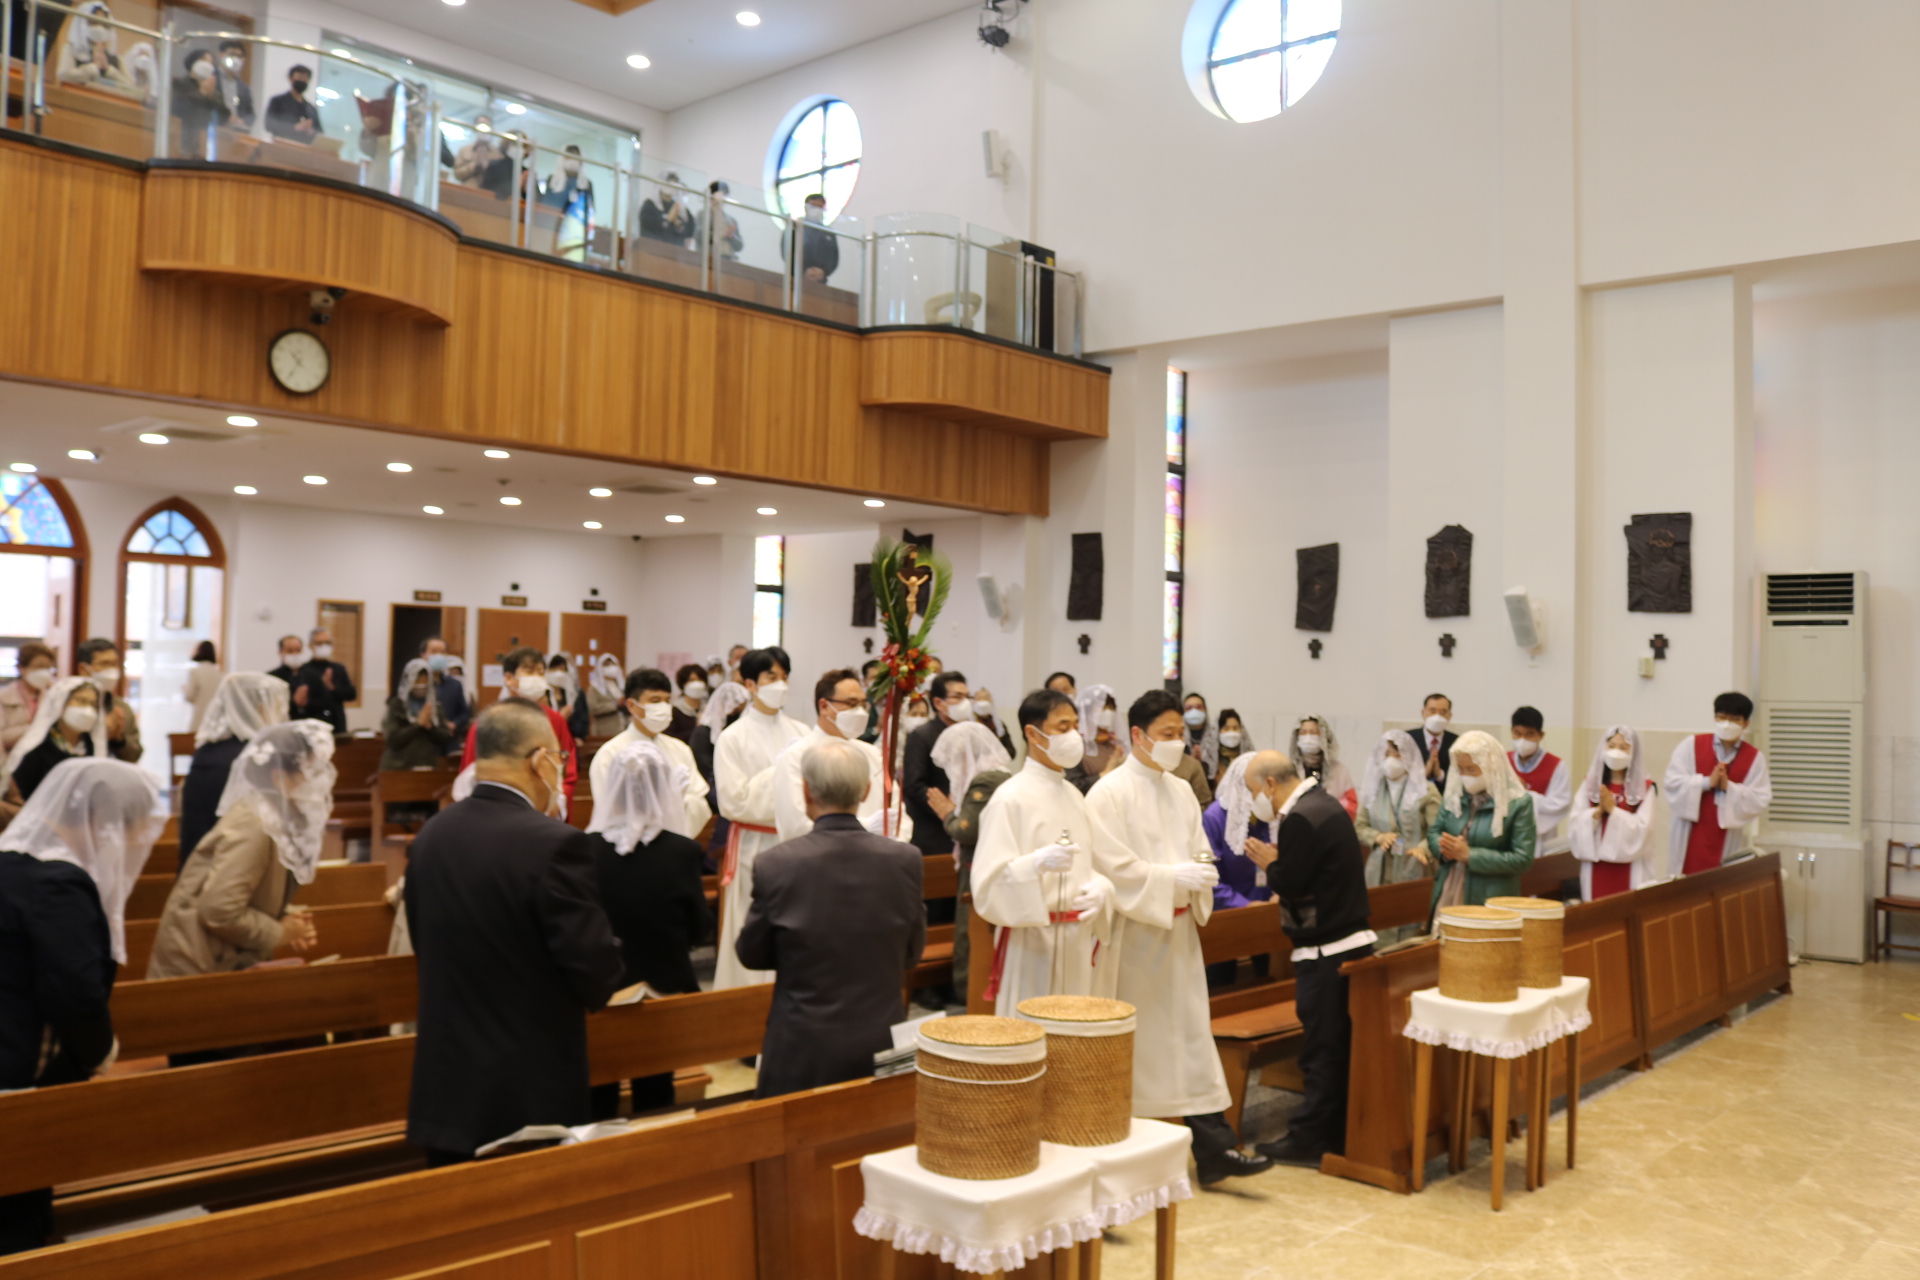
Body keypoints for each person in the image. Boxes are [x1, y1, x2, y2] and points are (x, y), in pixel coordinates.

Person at [405, 701, 624, 1166]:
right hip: (525, 1092)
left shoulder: (430, 837)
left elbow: (424, 944)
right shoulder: (553, 843)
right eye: (560, 758)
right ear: (539, 760)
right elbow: (596, 974)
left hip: (444, 1086)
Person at [1087, 691, 1270, 1184]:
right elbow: (1110, 866)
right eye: (1166, 734)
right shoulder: (1107, 794)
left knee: (1189, 1040)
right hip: (1135, 938)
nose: (1176, 742)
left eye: (1180, 734)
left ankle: (1214, 1151)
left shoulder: (1182, 791)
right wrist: (1170, 878)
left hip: (1180, 935)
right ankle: (1128, 1157)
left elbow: (1200, 850)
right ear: (1137, 735)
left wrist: (1202, 874)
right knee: (1141, 1047)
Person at [0, 758, 165, 1254]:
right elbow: (73, 992)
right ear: (101, 820)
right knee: (17, 1207)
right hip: (17, 1069)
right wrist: (99, 1051)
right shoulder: (58, 882)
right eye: (129, 826)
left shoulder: (11, 862)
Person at [738, 737, 924, 1097]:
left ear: (806, 790)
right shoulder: (904, 859)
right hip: (879, 1035)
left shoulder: (777, 863)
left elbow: (752, 954)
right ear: (866, 790)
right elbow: (912, 953)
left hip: (803, 1042)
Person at [1238, 750, 1374, 1167]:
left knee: (1321, 1049)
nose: (1255, 802)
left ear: (1271, 785)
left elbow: (1294, 883)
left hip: (1325, 950)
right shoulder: (1325, 804)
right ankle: (1335, 1132)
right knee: (1334, 1046)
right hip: (1349, 941)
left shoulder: (1299, 818)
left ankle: (1309, 1141)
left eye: (1253, 792)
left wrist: (1272, 864)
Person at [582, 739, 711, 1117]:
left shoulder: (584, 849)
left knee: (599, 1089)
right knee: (656, 1089)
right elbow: (700, 929)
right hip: (663, 989)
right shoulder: (682, 851)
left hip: (601, 990)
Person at [146, 722, 332, 981]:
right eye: (312, 771)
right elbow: (218, 910)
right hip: (196, 969)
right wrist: (280, 932)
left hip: (218, 961)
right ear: (279, 778)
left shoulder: (273, 818)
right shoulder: (254, 824)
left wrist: (287, 921)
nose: (321, 781)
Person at [970, 687, 1117, 1012]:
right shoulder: (1009, 798)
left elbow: (1088, 865)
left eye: (1075, 726)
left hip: (1076, 939)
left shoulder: (1074, 795)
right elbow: (987, 886)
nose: (1074, 736)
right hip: (1033, 942)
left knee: (1075, 1031)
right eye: (1063, 727)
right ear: (1033, 734)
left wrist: (1101, 888)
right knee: (1033, 1030)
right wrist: (1035, 865)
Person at [711, 647, 807, 989]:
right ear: (750, 684)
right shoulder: (732, 737)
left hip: (795, 843)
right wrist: (779, 772)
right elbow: (734, 803)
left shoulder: (801, 732)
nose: (781, 684)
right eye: (771, 677)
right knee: (751, 926)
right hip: (754, 845)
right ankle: (746, 1000)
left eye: (784, 677)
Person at [933, 720, 1013, 1006]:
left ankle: (970, 997)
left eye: (953, 760)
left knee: (971, 933)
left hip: (977, 868)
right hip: (990, 866)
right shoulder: (1003, 775)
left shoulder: (985, 780)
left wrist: (947, 814)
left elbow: (966, 830)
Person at [178, 673, 289, 868]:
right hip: (231, 868)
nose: (281, 717)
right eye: (278, 707)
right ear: (260, 709)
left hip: (200, 864)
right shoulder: (253, 759)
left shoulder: (210, 750)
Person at [1426, 730, 1537, 915]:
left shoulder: (1517, 803)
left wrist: (1470, 855)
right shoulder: (1455, 795)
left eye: (1471, 769)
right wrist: (1446, 848)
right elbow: (1434, 831)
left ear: (1491, 767)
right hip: (1450, 885)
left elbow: (1522, 859)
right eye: (1461, 769)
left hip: (1491, 894)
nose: (1465, 776)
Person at [589, 668, 711, 836]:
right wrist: (667, 803)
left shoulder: (680, 749)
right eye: (655, 700)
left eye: (667, 701)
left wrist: (680, 803)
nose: (663, 707)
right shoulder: (611, 753)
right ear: (632, 705)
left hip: (676, 843)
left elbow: (699, 802)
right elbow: (609, 808)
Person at [772, 669, 890, 842]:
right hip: (819, 854)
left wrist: (892, 841)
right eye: (852, 703)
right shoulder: (796, 756)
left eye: (863, 705)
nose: (860, 712)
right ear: (824, 706)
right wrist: (864, 827)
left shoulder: (872, 754)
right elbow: (794, 826)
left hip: (879, 853)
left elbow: (896, 815)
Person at [902, 671, 1008, 860]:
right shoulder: (922, 735)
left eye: (967, 697)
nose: (965, 702)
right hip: (934, 830)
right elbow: (914, 785)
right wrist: (946, 809)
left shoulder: (972, 732)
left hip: (970, 822)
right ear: (938, 703)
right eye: (958, 697)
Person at [1665, 692, 1772, 878]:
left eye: (1734, 719)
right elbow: (1672, 782)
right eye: (1722, 717)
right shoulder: (1691, 745)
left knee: (1722, 883)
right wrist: (1707, 782)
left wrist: (1729, 788)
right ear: (1715, 718)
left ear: (1746, 723)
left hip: (1728, 835)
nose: (1727, 724)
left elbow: (1760, 798)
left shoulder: (1755, 758)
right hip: (1689, 832)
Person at [458, 647, 578, 810]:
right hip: (495, 809)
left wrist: (556, 804)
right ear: (509, 678)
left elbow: (567, 768)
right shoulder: (489, 720)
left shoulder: (554, 720)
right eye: (529, 671)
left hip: (546, 809)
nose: (536, 678)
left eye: (541, 673)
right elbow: (470, 772)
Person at [1571, 726, 1659, 899]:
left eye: (1623, 747)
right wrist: (1597, 813)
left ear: (1634, 753)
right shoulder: (1590, 785)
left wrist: (1613, 810)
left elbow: (1644, 830)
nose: (1616, 752)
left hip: (1630, 868)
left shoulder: (1645, 789)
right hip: (1596, 866)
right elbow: (1575, 824)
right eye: (1611, 746)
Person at [1352, 730, 1440, 889]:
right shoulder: (1373, 789)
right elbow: (1360, 826)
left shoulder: (1425, 791)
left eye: (1398, 755)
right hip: (1380, 868)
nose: (1391, 761)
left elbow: (1438, 830)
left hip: (1416, 866)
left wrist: (1423, 849)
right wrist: (1378, 837)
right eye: (1386, 755)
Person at [1, 677, 107, 804]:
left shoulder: (93, 748)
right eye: (80, 701)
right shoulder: (37, 748)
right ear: (61, 703)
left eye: (93, 705)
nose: (87, 710)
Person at [271, 629, 355, 736]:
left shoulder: (312, 675)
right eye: (290, 651)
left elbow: (325, 702)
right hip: (284, 728)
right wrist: (294, 703)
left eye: (298, 650)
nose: (295, 654)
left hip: (317, 726)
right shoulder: (273, 678)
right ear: (280, 652)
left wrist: (331, 688)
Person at [1508, 705, 1572, 844]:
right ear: (1511, 731)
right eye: (1517, 733)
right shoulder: (1503, 761)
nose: (1522, 739)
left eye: (1529, 734)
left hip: (1540, 839)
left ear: (1541, 735)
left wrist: (1523, 794)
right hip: (1507, 834)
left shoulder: (1557, 766)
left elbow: (1559, 804)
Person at [381, 659, 455, 770]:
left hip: (427, 766)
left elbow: (445, 737)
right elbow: (392, 740)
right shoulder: (397, 705)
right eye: (417, 681)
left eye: (425, 681)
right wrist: (417, 725)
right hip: (399, 767)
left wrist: (430, 727)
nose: (421, 685)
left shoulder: (434, 706)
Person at [75, 639, 140, 763]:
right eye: (104, 664)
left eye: (114, 664)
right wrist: (100, 731)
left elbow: (135, 755)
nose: (111, 670)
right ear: (83, 669)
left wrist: (118, 740)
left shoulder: (122, 709)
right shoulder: (70, 705)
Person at [1290, 715, 1356, 816]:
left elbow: (1351, 804)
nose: (1308, 737)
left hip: (1332, 822)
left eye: (1313, 732)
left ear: (1324, 737)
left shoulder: (1339, 769)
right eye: (1303, 733)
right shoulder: (1289, 769)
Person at [0, 642, 57, 755]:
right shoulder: (4, 698)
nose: (44, 672)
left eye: (48, 668)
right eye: (39, 667)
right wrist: (36, 728)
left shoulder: (53, 695)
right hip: (11, 759)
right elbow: (3, 737)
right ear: (21, 668)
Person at [541, 145, 596, 261]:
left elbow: (590, 213)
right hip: (551, 231)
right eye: (568, 157)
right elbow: (545, 207)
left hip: (576, 236)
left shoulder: (587, 185)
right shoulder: (552, 181)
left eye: (575, 157)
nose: (572, 161)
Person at [1067, 683, 1125, 792]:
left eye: (1111, 708)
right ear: (1086, 712)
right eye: (1102, 708)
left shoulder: (1114, 743)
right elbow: (1074, 785)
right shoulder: (1075, 745)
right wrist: (1107, 771)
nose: (1108, 712)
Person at [421, 638, 469, 740]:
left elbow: (464, 713)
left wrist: (454, 724)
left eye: (443, 652)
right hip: (424, 739)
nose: (439, 656)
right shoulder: (417, 684)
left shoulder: (455, 685)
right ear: (423, 655)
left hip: (449, 739)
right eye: (434, 651)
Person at [264, 63, 322, 142]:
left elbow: (320, 133)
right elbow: (269, 124)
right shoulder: (278, 101)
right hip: (281, 144)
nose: (302, 81)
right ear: (291, 78)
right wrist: (294, 127)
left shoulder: (311, 109)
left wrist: (311, 131)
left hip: (303, 147)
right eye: (299, 77)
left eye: (305, 78)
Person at [1410, 693, 1458, 788]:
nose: (1437, 716)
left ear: (1449, 715)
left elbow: (1459, 779)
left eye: (1443, 712)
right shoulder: (1407, 739)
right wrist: (1424, 773)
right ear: (1423, 713)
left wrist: (1440, 775)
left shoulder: (1457, 742)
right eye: (1432, 711)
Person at [639, 173, 697, 247]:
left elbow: (690, 230)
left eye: (675, 183)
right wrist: (667, 219)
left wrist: (677, 224)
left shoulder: (680, 209)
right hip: (652, 249)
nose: (671, 187)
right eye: (669, 183)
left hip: (675, 251)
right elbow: (647, 223)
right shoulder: (650, 205)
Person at [793, 192, 839, 283]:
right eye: (813, 206)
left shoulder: (828, 232)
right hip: (797, 278)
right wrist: (804, 270)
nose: (817, 210)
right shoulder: (796, 227)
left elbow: (834, 258)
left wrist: (824, 272)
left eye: (820, 207)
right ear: (806, 207)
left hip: (821, 281)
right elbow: (788, 252)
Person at [585, 654, 627, 739]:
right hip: (604, 729)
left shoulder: (620, 685)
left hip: (622, 728)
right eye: (607, 665)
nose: (611, 668)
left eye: (613, 665)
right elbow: (592, 708)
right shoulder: (595, 687)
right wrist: (615, 704)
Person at [183, 639, 221, 733]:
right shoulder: (220, 674)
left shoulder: (195, 672)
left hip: (200, 718)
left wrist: (185, 689)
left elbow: (190, 696)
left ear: (200, 651)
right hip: (215, 720)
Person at [214, 38, 254, 127]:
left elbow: (251, 115)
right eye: (232, 54)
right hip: (214, 127)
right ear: (221, 55)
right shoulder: (211, 78)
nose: (235, 59)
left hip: (236, 130)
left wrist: (242, 121)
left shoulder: (244, 87)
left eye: (239, 56)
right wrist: (225, 118)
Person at [1210, 707, 1252, 785]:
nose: (1231, 733)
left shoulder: (1249, 759)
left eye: (1235, 728)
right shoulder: (1211, 760)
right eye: (1226, 729)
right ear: (1217, 732)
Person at [703, 179, 744, 259]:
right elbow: (700, 236)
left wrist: (731, 236)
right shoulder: (704, 214)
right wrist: (722, 234)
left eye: (725, 194)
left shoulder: (731, 220)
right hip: (709, 257)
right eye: (721, 194)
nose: (722, 198)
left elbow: (740, 246)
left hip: (728, 259)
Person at [453, 114, 498, 186]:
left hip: (488, 191)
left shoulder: (497, 154)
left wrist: (486, 167)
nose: (483, 129)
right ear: (474, 128)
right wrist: (473, 165)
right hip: (467, 189)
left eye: (487, 125)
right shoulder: (464, 150)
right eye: (481, 125)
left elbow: (500, 179)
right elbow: (457, 174)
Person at [670, 663, 708, 733]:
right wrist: (698, 728)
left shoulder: (708, 709)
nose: (697, 684)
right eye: (691, 680)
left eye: (700, 680)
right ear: (683, 684)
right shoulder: (674, 711)